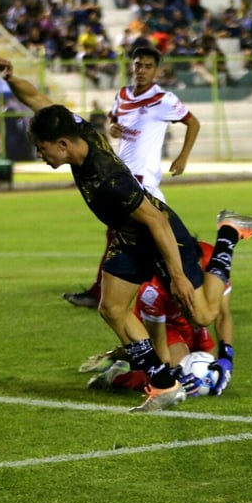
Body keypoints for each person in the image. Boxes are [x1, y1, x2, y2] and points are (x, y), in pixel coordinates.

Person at [0, 55, 252, 411]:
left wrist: (177, 277)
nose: (40, 154)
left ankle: (229, 233)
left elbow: (156, 220)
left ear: (62, 144)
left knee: (202, 315)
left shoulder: (109, 178)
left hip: (160, 234)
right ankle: (163, 384)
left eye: (42, 148)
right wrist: (10, 77)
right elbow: (37, 100)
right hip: (129, 236)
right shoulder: (75, 131)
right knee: (111, 308)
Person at [63, 46, 201, 308]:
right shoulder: (123, 95)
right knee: (145, 235)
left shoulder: (164, 99)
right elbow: (115, 123)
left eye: (148, 66)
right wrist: (114, 129)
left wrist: (183, 157)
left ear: (158, 70)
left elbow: (193, 123)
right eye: (138, 65)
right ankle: (180, 281)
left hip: (144, 179)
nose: (142, 70)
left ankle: (104, 293)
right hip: (121, 175)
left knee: (133, 234)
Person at [82, 241, 235, 396]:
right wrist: (173, 376)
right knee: (170, 370)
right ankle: (117, 376)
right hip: (161, 325)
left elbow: (222, 314)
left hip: (190, 322)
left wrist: (227, 357)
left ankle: (123, 355)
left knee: (211, 362)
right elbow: (160, 347)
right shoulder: (152, 290)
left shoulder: (213, 267)